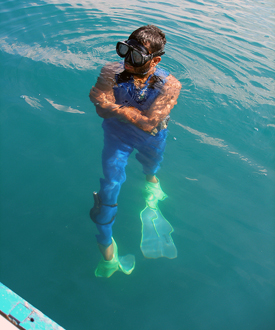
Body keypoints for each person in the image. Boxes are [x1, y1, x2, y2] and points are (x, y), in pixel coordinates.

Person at [89, 25, 181, 278]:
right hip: (117, 137)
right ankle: (108, 251)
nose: (127, 61)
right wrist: (128, 112)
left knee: (151, 166)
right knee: (109, 186)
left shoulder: (170, 85)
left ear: (156, 59)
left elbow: (150, 123)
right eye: (125, 51)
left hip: (152, 138)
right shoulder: (111, 70)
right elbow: (97, 100)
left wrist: (114, 108)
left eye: (137, 56)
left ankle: (152, 192)